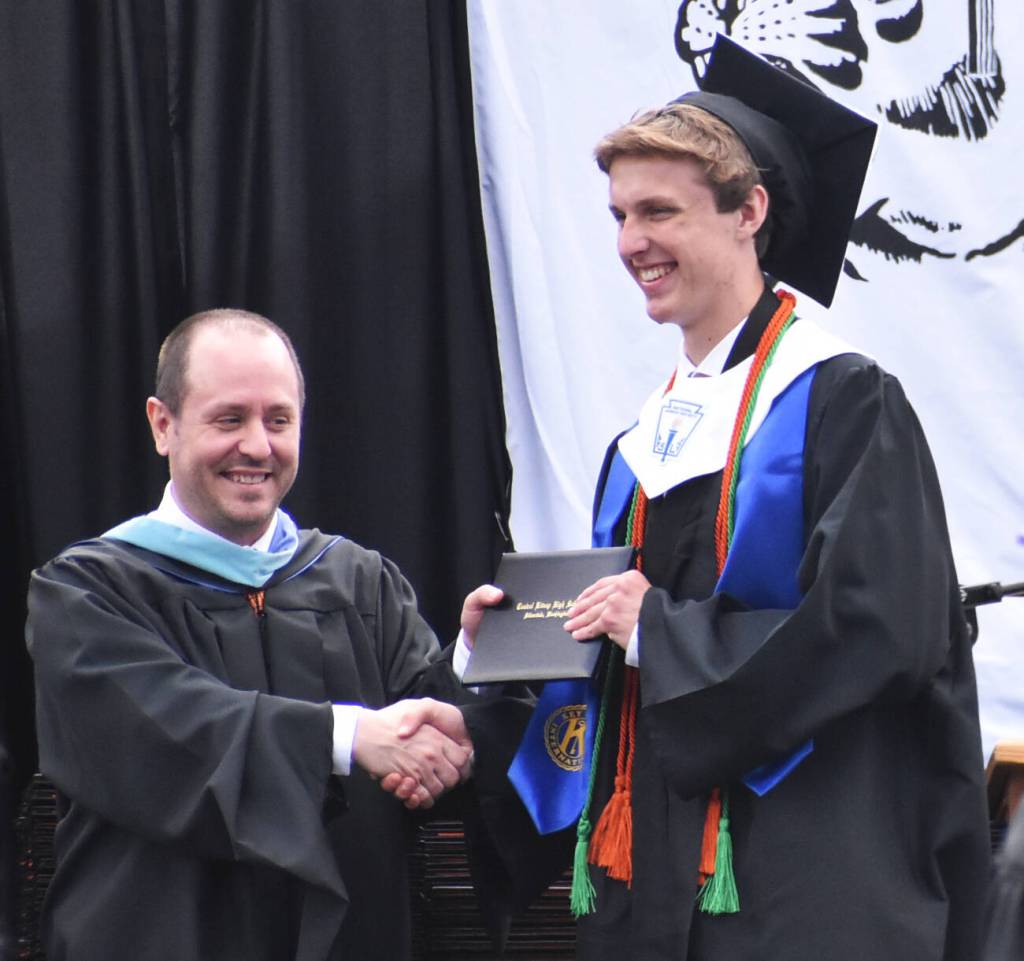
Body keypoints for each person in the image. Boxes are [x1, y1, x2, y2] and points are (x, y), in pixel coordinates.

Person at [505, 35, 991, 961]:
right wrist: (511, 642)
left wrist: (661, 634)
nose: (630, 242)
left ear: (748, 210)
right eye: (617, 215)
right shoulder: (641, 444)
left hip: (803, 878)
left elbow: (877, 623)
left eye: (659, 210)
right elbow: (616, 641)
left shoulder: (844, 400)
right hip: (652, 865)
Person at [25, 309, 531, 961]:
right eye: (229, 418)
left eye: (279, 419)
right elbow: (178, 732)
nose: (258, 446)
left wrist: (472, 664)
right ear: (163, 423)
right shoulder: (87, 594)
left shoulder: (357, 580)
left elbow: (429, 737)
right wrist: (348, 737)